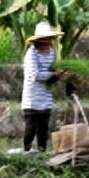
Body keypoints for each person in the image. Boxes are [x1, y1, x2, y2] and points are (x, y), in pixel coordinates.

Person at [21, 22, 65, 152]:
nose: (48, 41)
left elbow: (51, 72)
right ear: (39, 40)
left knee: (44, 127)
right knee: (31, 127)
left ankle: (42, 151)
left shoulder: (51, 52)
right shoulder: (31, 54)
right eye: (46, 38)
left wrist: (59, 75)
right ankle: (26, 150)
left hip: (45, 95)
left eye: (50, 38)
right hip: (32, 97)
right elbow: (35, 75)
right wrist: (53, 74)